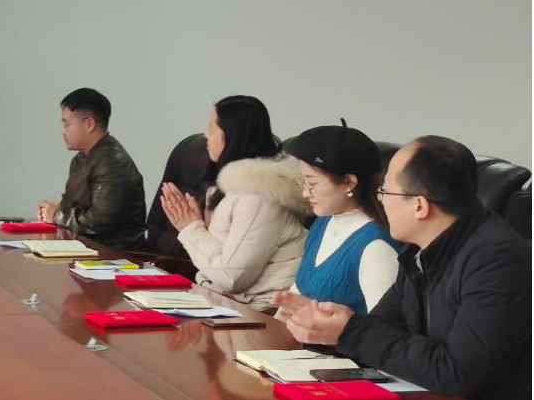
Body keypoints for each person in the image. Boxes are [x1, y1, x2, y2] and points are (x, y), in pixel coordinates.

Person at [277, 136, 531, 399]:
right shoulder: (420, 252)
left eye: (385, 192)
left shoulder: (496, 261)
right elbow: (382, 327)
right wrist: (329, 329)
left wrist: (350, 331)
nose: (381, 201)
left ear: (419, 206)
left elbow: (459, 373)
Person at [159, 95, 310, 313]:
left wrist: (191, 228)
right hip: (227, 302)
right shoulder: (232, 188)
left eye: (212, 127)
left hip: (259, 313)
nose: (206, 135)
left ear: (232, 135)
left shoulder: (258, 197)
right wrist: (198, 226)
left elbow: (231, 277)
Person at [276, 122, 399, 316]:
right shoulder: (324, 221)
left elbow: (383, 328)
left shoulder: (376, 248)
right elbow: (301, 289)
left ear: (349, 183)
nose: (305, 193)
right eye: (303, 181)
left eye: (312, 183)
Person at [36, 88, 147, 250]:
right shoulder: (80, 159)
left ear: (89, 124)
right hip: (87, 249)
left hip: (115, 255)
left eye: (66, 124)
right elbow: (73, 207)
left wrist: (57, 215)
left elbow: (98, 223)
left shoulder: (112, 162)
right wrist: (54, 210)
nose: (63, 131)